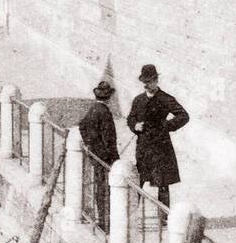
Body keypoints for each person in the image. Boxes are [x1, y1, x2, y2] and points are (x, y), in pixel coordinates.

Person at [126, 64, 188, 211]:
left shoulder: (166, 99)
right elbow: (130, 118)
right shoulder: (138, 100)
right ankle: (132, 214)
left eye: (150, 81)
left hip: (161, 148)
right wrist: (135, 126)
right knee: (138, 181)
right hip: (143, 148)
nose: (147, 85)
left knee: (162, 183)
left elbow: (184, 116)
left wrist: (166, 126)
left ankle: (164, 218)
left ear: (156, 80)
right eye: (145, 82)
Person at [78, 80, 119, 231]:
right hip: (106, 159)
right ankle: (105, 223)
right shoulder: (105, 112)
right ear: (108, 98)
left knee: (100, 188)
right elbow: (109, 139)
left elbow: (82, 126)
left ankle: (102, 221)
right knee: (106, 190)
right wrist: (112, 157)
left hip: (96, 157)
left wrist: (90, 146)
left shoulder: (93, 109)